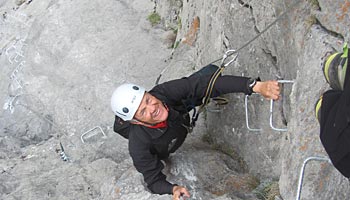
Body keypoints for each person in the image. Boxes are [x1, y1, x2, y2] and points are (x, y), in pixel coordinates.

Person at [111, 64, 280, 200]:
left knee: (211, 74)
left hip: (179, 116)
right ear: (135, 121)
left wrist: (254, 86)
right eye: (142, 112)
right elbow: (153, 180)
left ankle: (209, 96)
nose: (152, 108)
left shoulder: (163, 93)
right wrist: (173, 189)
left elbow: (200, 85)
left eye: (148, 100)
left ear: (149, 93)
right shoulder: (139, 145)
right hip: (168, 143)